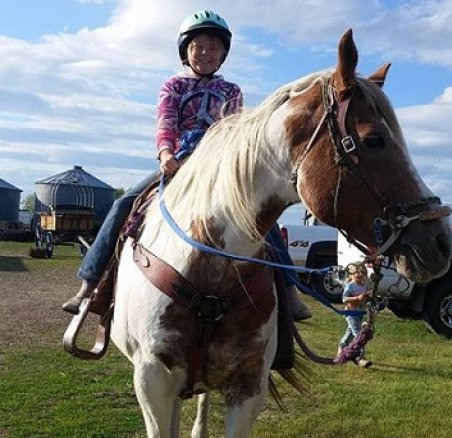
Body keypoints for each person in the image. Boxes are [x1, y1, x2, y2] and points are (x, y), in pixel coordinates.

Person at [62, 9, 311, 321]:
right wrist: (166, 154)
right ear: (186, 51)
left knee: (264, 220)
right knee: (124, 203)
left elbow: (235, 131)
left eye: (213, 47)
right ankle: (91, 284)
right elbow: (166, 123)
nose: (206, 53)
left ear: (223, 54)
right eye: (199, 47)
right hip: (179, 164)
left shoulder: (231, 91)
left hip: (220, 169)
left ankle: (288, 292)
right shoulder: (173, 87)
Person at [335, 262, 372, 368]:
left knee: (350, 333)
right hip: (350, 313)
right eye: (357, 272)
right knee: (359, 336)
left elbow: (367, 298)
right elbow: (344, 299)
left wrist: (368, 296)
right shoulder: (350, 286)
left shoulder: (365, 286)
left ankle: (341, 350)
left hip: (360, 314)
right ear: (351, 274)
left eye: (362, 272)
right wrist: (357, 298)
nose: (360, 274)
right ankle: (360, 357)